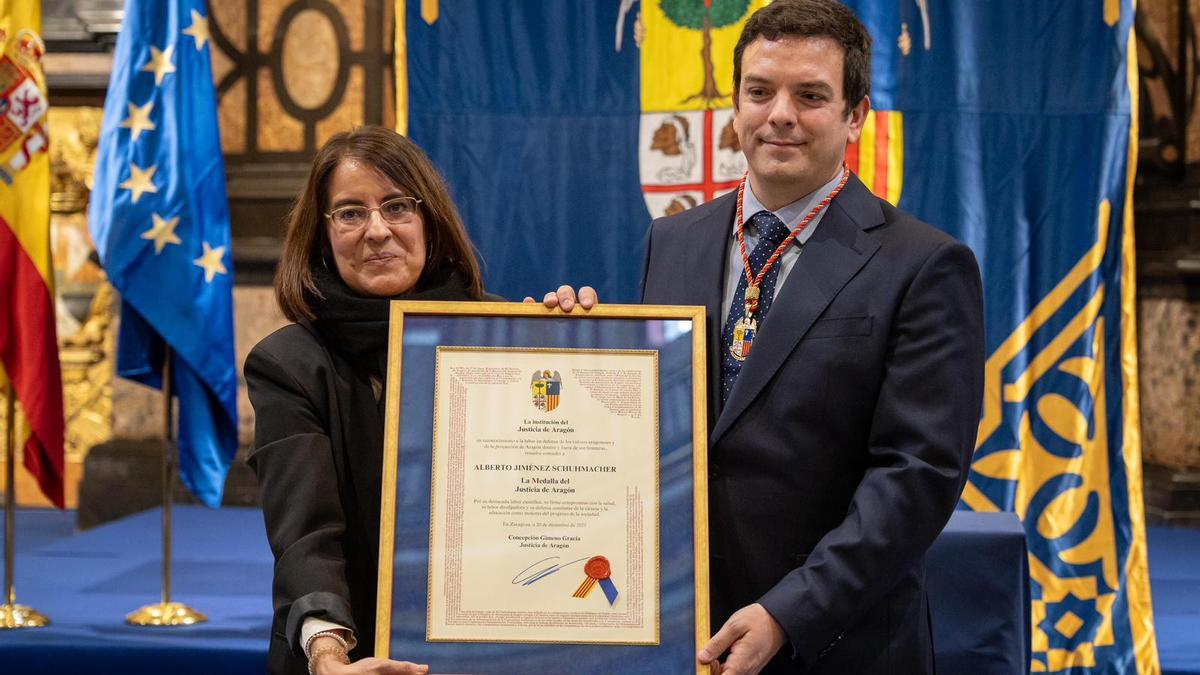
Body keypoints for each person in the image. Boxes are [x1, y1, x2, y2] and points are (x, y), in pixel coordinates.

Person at [544, 1, 984, 673]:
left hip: (839, 641)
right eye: (759, 91)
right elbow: (651, 427)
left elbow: (915, 476)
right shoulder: (674, 239)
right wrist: (566, 352)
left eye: (810, 95)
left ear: (855, 114)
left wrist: (790, 610)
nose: (780, 113)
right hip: (684, 630)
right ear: (736, 103)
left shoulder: (924, 264)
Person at [245, 126, 500, 675]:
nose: (377, 230)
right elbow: (306, 533)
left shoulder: (500, 335)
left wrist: (576, 338)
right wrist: (327, 651)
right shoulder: (289, 365)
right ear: (321, 235)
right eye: (350, 213)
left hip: (494, 647)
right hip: (359, 656)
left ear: (429, 221)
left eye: (396, 206)